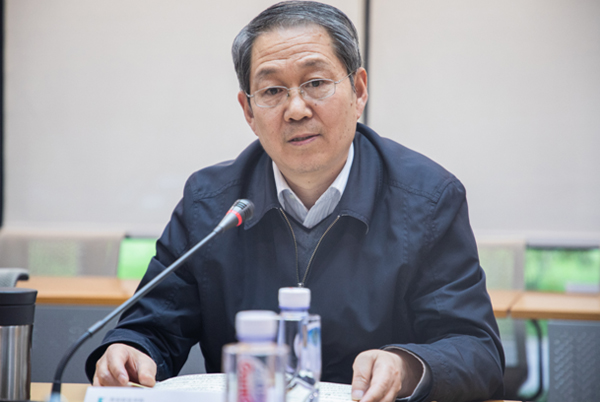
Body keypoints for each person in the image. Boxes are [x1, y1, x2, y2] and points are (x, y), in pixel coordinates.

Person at [86, 2, 504, 401]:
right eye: (272, 90)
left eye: (316, 83)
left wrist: (407, 366)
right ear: (249, 112)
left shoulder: (427, 200)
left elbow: (476, 349)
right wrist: (130, 349)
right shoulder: (210, 204)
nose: (297, 109)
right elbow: (152, 326)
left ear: (358, 91)